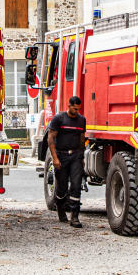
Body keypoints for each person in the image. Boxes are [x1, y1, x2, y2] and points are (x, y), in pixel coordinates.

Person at [47, 95, 86, 228]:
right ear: (69, 106)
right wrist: (55, 158)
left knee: (76, 185)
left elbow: (82, 139)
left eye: (78, 109)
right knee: (62, 187)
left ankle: (74, 216)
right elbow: (51, 138)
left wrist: (82, 157)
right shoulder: (59, 119)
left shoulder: (81, 121)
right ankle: (60, 209)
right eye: (74, 109)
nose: (77, 112)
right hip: (61, 156)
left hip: (75, 156)